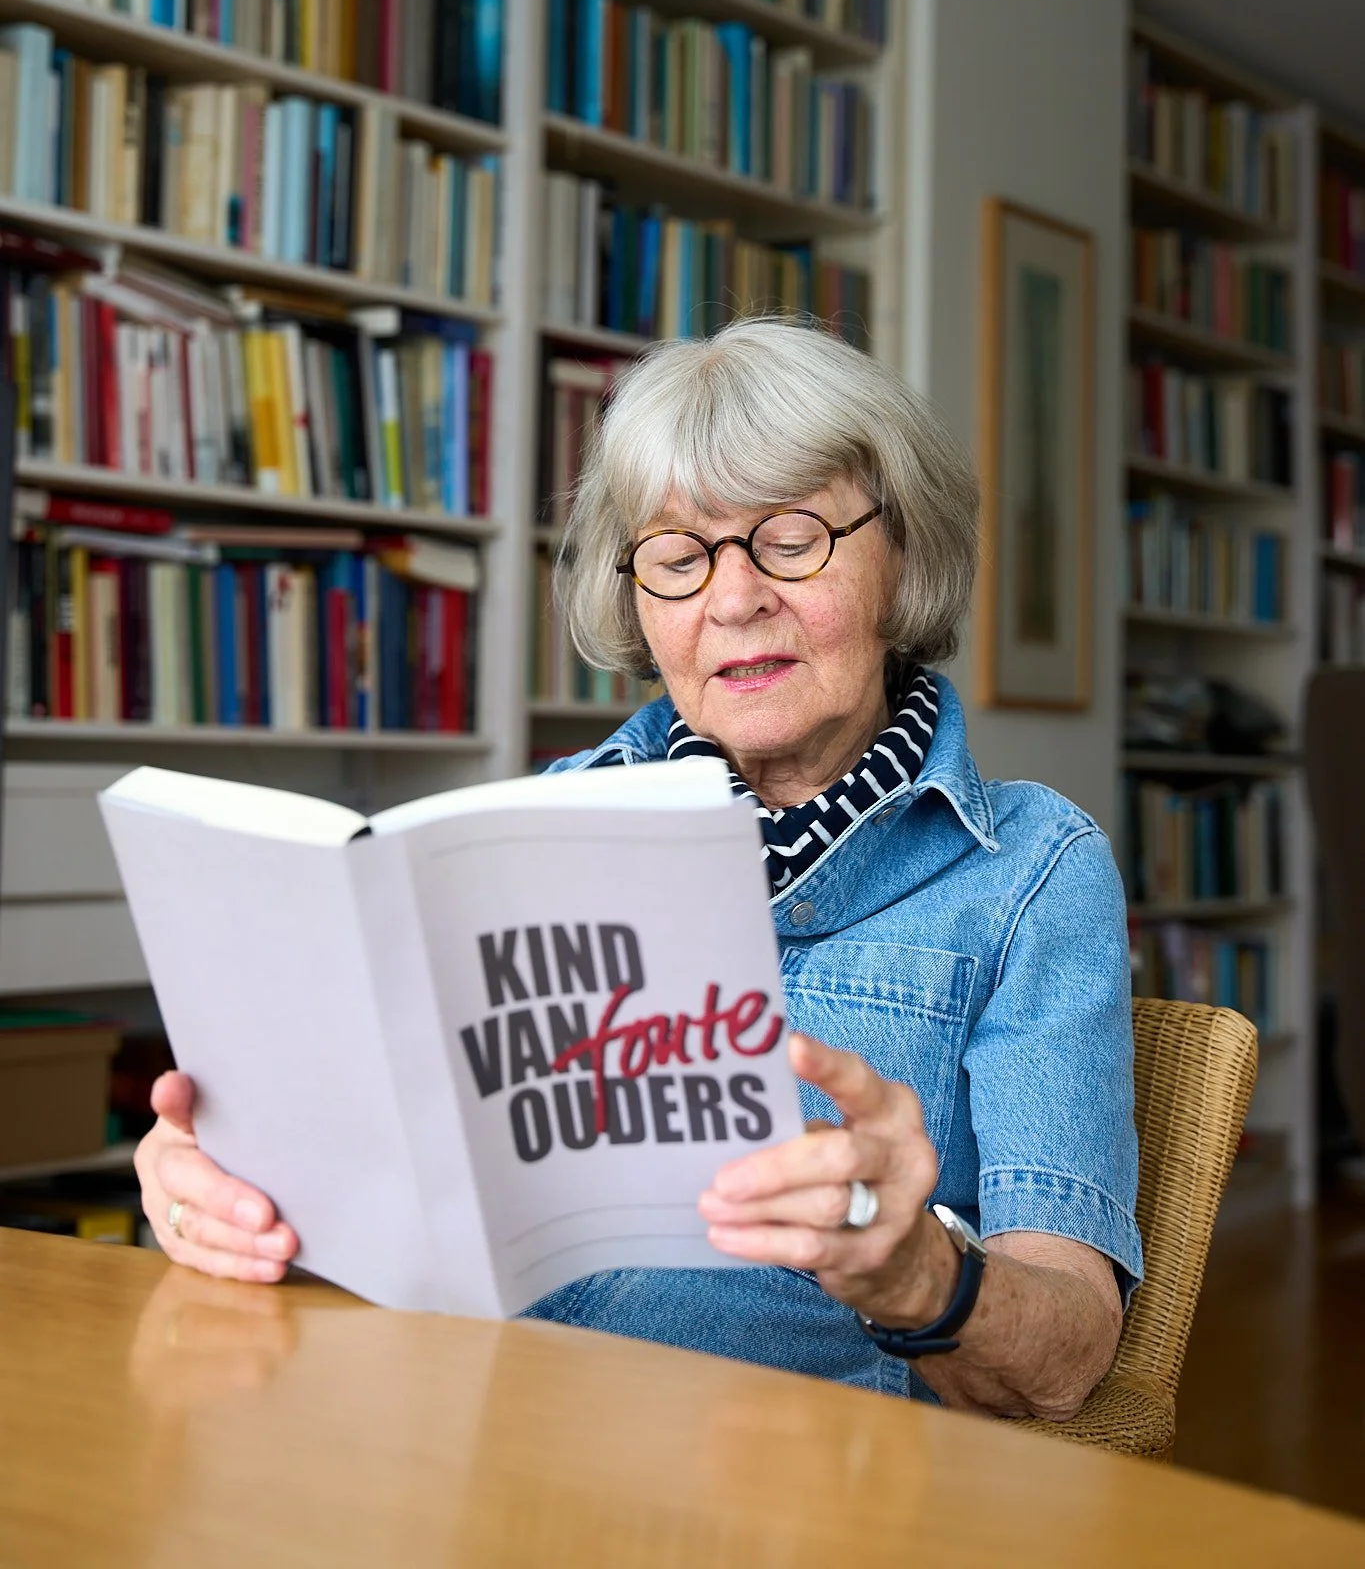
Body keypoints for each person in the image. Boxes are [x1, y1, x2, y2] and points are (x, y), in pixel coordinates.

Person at [134, 318, 1140, 1418]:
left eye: (792, 536)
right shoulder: (531, 825)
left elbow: (1069, 1348)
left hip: (797, 1496)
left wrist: (920, 1277)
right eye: (678, 556)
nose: (734, 596)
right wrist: (223, 1183)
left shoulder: (1030, 871)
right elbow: (395, 1196)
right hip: (466, 1440)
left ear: (903, 556)